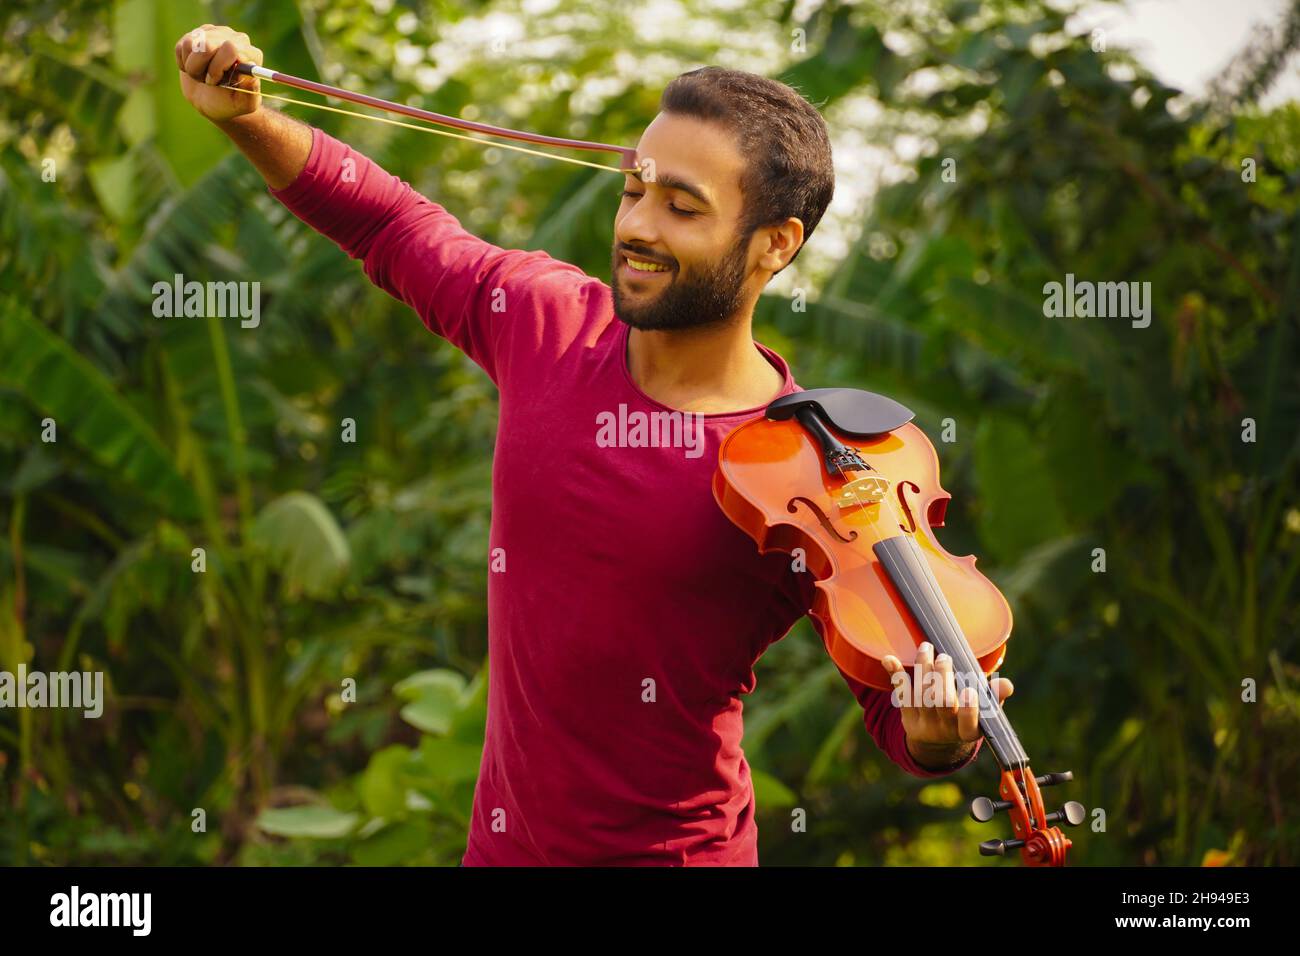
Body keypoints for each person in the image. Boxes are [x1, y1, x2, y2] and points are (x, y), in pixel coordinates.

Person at [175, 24, 1013, 866]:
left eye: (683, 207)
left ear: (775, 245)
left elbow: (899, 715)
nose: (638, 227)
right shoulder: (545, 322)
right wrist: (246, 118)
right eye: (633, 191)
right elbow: (391, 225)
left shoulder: (815, 474)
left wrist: (941, 735)